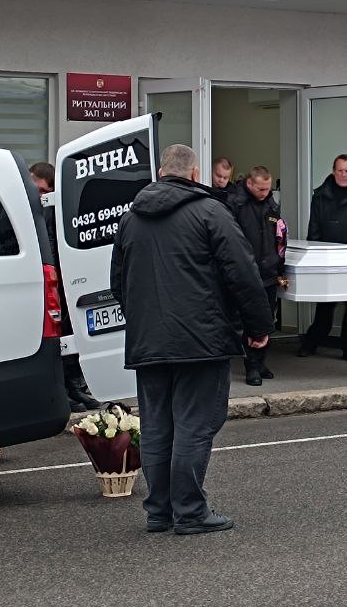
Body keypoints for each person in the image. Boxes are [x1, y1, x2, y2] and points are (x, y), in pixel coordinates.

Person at [111, 144, 272, 535]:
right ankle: (189, 510)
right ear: (195, 173)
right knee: (194, 424)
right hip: (200, 339)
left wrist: (143, 320)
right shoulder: (211, 212)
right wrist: (258, 326)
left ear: (162, 172)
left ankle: (160, 510)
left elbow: (118, 282)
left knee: (157, 425)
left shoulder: (131, 218)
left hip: (149, 341)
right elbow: (243, 273)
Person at [29, 161, 101, 412]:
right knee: (55, 338)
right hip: (46, 280)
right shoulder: (33, 211)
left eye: (39, 190)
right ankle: (66, 390)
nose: (35, 195)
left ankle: (76, 387)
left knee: (71, 334)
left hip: (65, 279)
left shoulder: (58, 211)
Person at [302, 154, 347, 361]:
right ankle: (312, 341)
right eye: (340, 170)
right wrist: (314, 252)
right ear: (334, 171)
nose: (343, 175)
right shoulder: (321, 194)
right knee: (325, 305)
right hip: (328, 257)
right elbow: (314, 227)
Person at [228, 166, 286, 386]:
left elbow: (279, 237)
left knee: (267, 319)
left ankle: (261, 362)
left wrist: (279, 266)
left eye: (267, 189)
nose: (265, 193)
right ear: (250, 184)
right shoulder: (236, 204)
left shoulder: (271, 204)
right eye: (261, 189)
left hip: (268, 270)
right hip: (246, 272)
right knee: (250, 322)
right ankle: (251, 366)